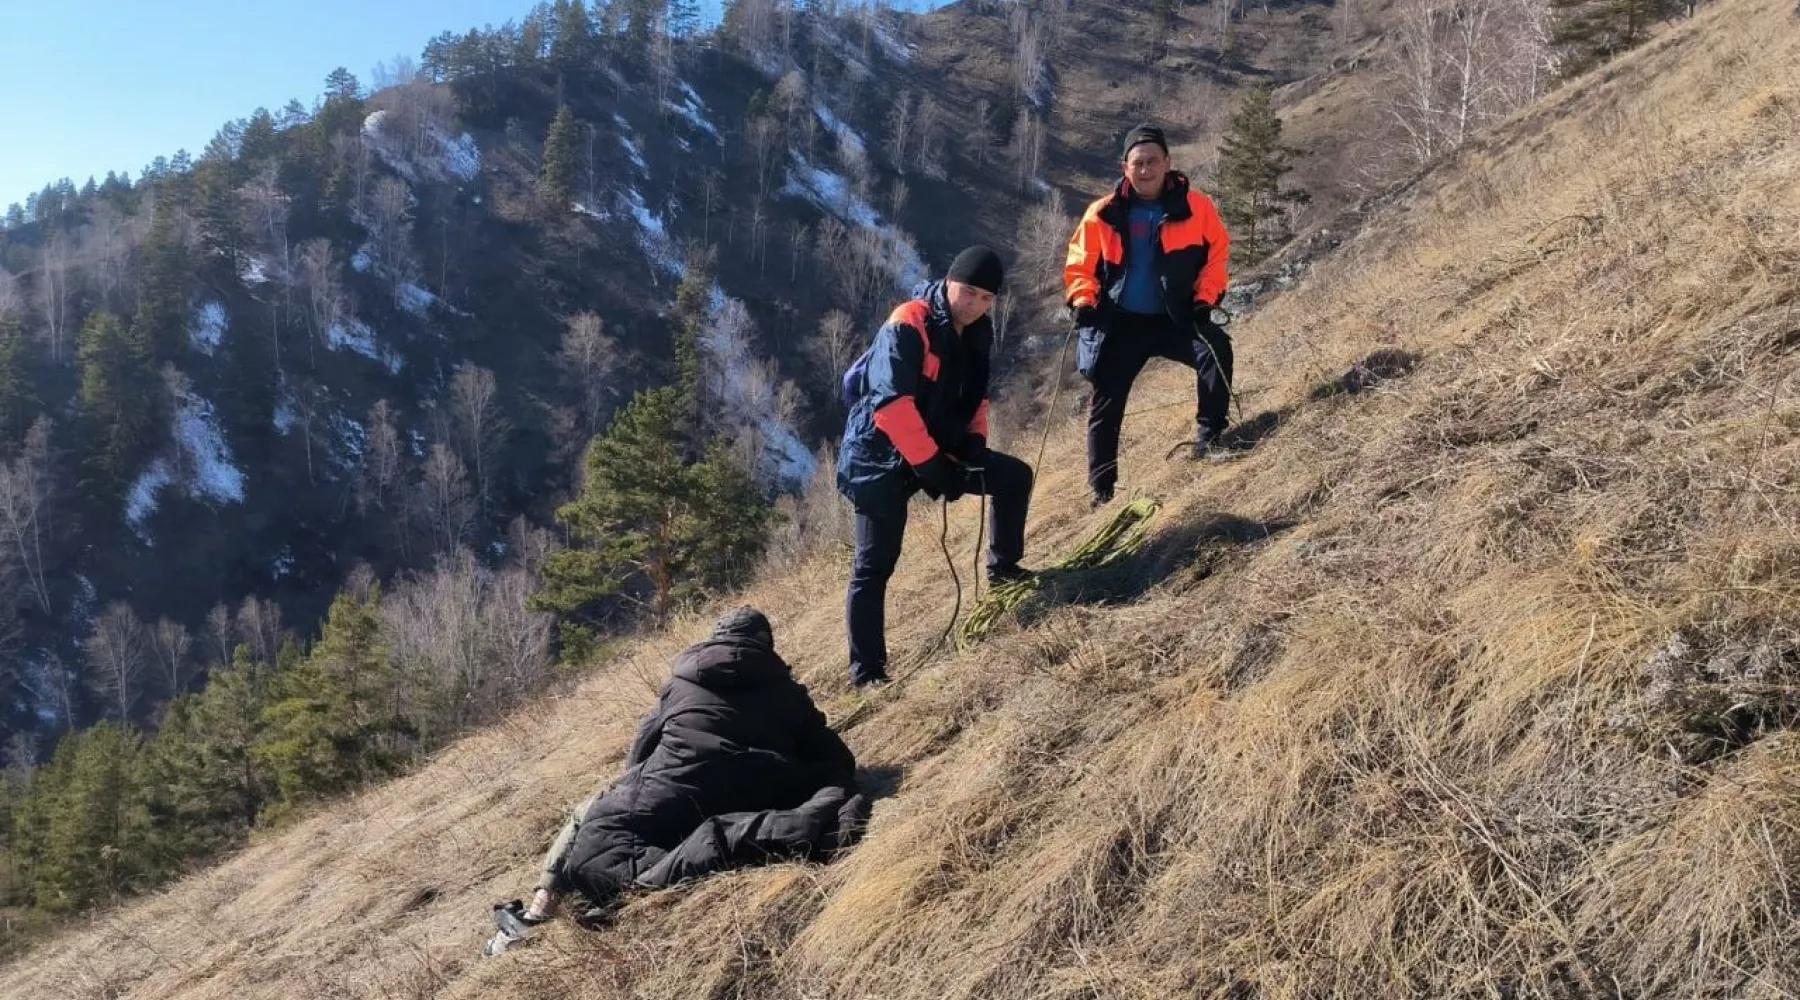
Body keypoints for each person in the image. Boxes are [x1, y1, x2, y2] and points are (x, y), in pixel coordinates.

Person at [486, 608, 867, 955]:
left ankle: (539, 911)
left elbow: (640, 749)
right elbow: (837, 758)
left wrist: (637, 785)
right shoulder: (788, 693)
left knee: (589, 814)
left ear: (715, 638)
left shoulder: (680, 685)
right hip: (753, 798)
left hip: (667, 801)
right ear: (765, 645)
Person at [836, 246, 1035, 689]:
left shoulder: (977, 332)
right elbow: (890, 407)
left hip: (937, 449)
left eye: (986, 298)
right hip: (879, 458)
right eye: (968, 292)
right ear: (948, 282)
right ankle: (866, 673)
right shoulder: (909, 321)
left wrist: (974, 444)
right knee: (874, 566)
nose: (975, 304)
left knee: (1014, 478)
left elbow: (975, 398)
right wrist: (933, 469)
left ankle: (1004, 572)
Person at [1064, 124, 1233, 507]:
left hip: (1176, 317)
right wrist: (1083, 300)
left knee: (1216, 351)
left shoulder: (1198, 206)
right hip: (1122, 323)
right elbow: (1079, 265)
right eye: (1138, 163)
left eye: (1153, 161)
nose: (1145, 170)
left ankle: (1210, 437)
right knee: (1106, 398)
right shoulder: (1103, 213)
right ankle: (1102, 490)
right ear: (1125, 167)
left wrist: (1205, 299)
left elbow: (1218, 254)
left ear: (1168, 163)